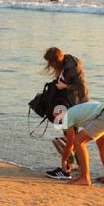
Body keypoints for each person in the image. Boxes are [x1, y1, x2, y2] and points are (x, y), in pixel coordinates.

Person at [42, 47, 89, 180]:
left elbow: (82, 88)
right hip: (66, 102)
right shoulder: (64, 64)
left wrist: (65, 87)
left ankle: (68, 169)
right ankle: (74, 167)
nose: (49, 66)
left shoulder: (73, 66)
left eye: (50, 62)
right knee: (70, 137)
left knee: (71, 138)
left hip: (75, 104)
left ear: (55, 60)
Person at [57, 100, 104, 187]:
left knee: (79, 141)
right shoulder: (76, 110)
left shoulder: (67, 116)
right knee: (102, 143)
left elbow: (71, 143)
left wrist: (64, 160)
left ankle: (85, 178)